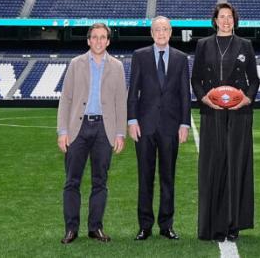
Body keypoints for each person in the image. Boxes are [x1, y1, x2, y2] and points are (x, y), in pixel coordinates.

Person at [190, 2, 260, 242]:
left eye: (230, 17)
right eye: (222, 17)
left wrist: (247, 99)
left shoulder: (246, 45)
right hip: (213, 113)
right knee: (213, 168)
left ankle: (233, 225)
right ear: (215, 20)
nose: (226, 21)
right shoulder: (203, 45)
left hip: (239, 115)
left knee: (236, 168)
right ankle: (213, 225)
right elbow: (196, 79)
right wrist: (204, 98)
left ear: (234, 20)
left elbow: (254, 80)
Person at [57, 22, 127, 244]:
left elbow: (120, 102)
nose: (98, 41)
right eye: (94, 37)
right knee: (72, 181)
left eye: (102, 37)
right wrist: (62, 131)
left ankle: (95, 227)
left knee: (100, 182)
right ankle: (71, 228)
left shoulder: (117, 66)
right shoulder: (76, 64)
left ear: (108, 41)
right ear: (88, 41)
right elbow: (66, 98)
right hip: (78, 129)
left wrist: (120, 133)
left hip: (104, 131)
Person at [127, 16, 191, 241]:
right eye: (157, 29)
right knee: (145, 177)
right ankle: (145, 225)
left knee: (168, 177)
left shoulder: (181, 58)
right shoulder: (140, 56)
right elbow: (133, 91)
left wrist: (184, 123)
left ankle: (166, 224)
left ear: (170, 32)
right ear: (151, 33)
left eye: (165, 29)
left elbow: (185, 94)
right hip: (144, 126)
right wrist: (132, 121)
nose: (161, 33)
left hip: (170, 126)